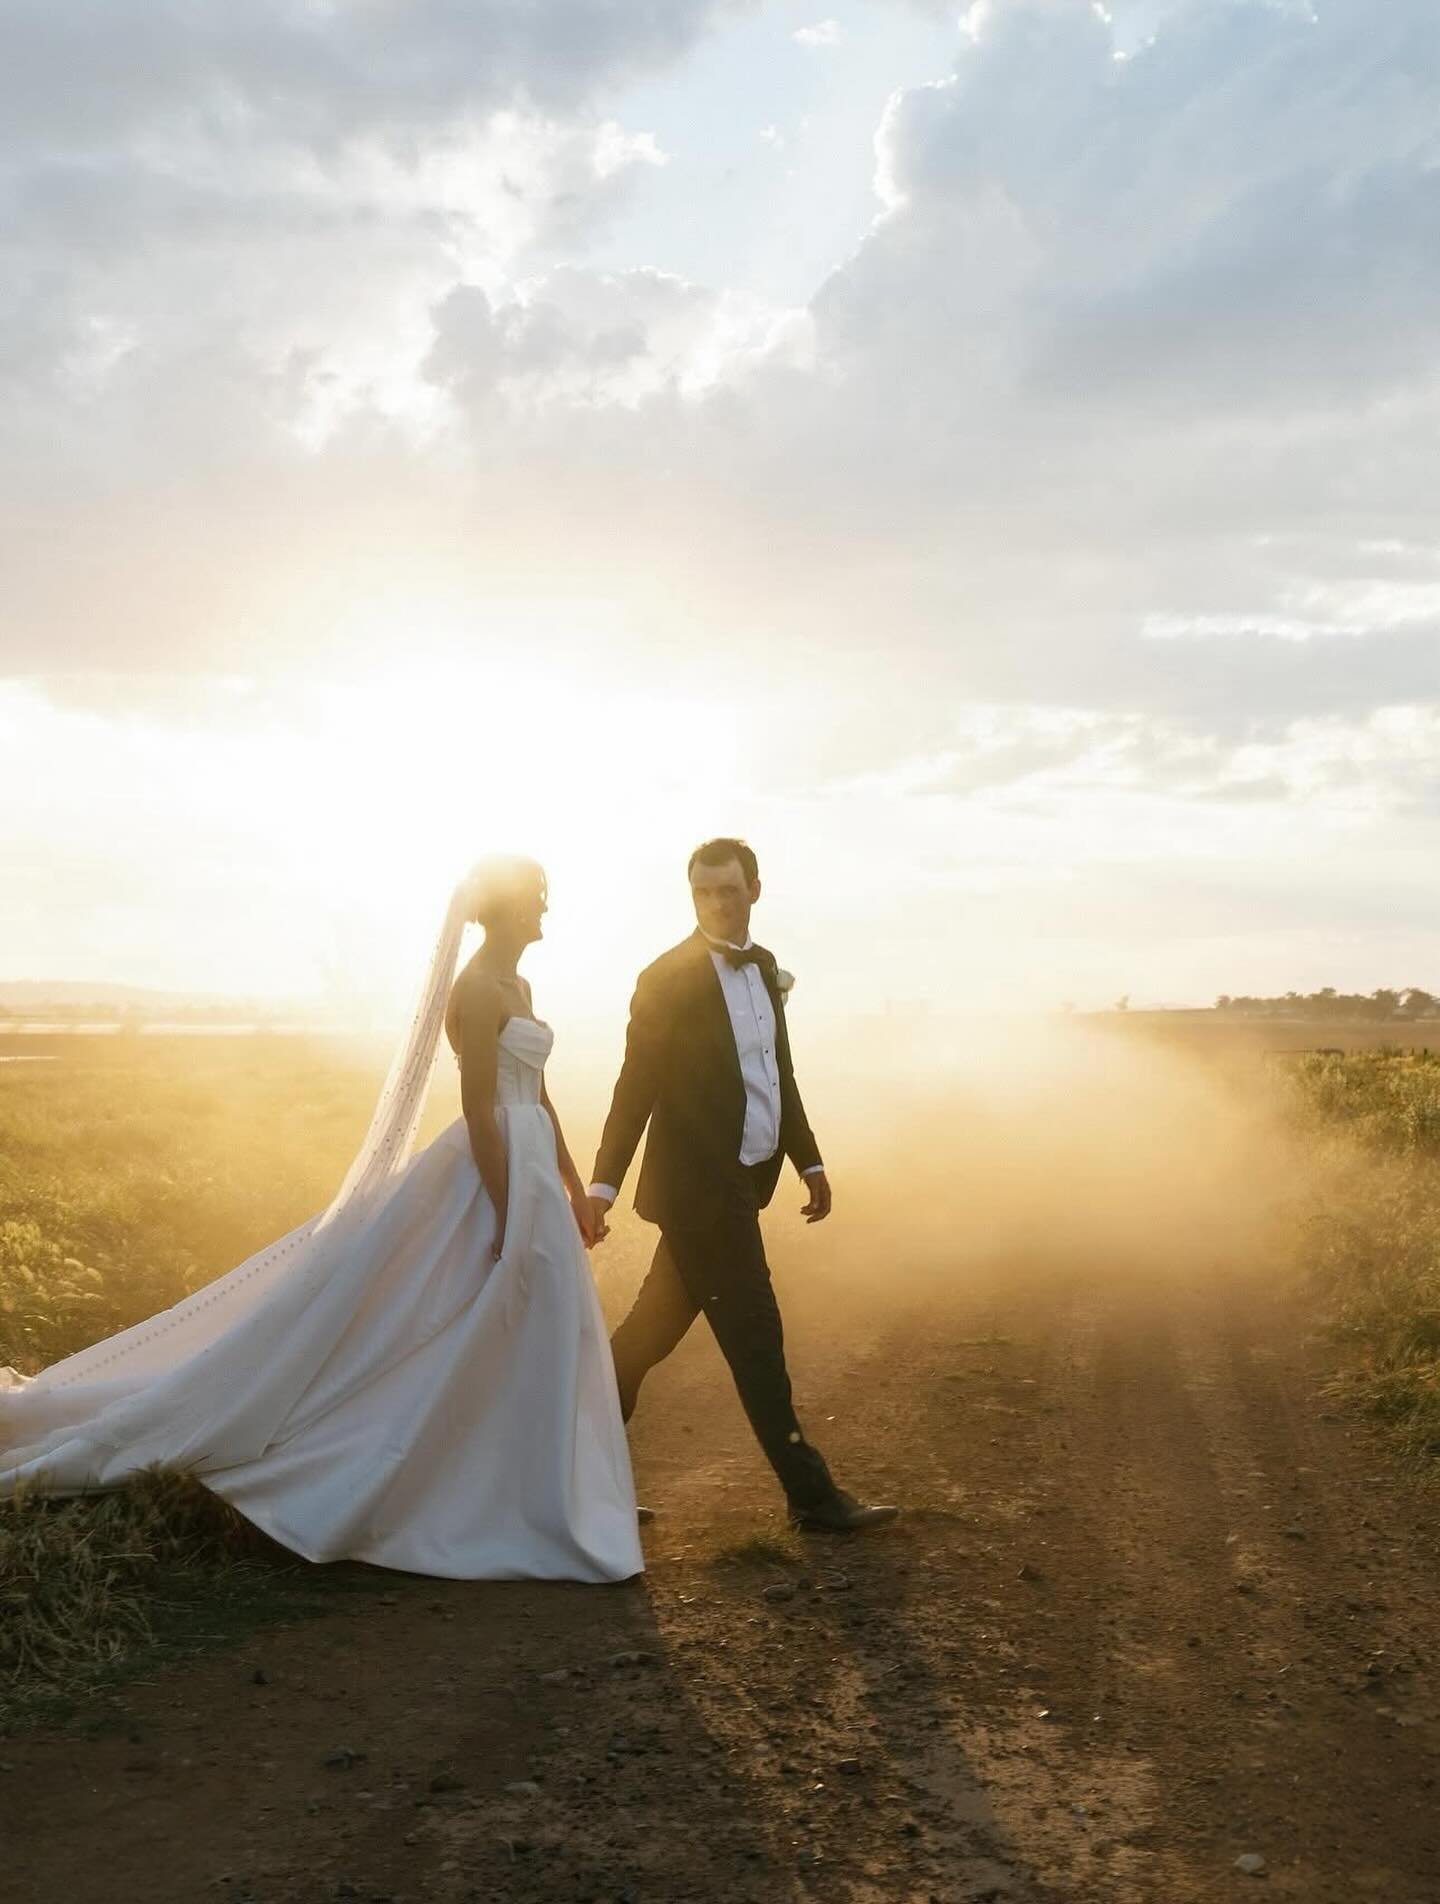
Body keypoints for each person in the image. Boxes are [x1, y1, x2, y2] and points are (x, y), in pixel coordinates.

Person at [0, 859, 642, 1584]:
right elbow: (478, 1110)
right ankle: (460, 1486)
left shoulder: (519, 986)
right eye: (535, 903)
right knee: (456, 1316)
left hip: (527, 1160)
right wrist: (505, 1207)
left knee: (543, 1319)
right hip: (491, 1168)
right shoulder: (475, 990)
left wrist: (572, 1188)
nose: (543, 916)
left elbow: (541, 1097)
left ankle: (546, 1484)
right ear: (501, 911)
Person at [589, 838, 898, 1533]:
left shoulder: (762, 972)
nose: (717, 903)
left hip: (738, 1186)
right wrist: (602, 1187)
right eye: (703, 893)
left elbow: (775, 1076)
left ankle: (565, 1479)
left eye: (729, 890)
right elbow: (634, 1084)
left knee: (643, 1340)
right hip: (702, 1195)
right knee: (757, 1337)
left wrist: (808, 1161)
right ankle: (813, 1499)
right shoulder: (664, 978)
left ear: (755, 888)